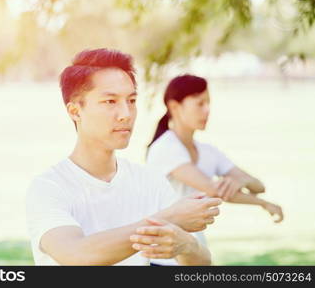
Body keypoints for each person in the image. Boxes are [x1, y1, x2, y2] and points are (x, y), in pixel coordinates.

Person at [26, 49, 222, 266]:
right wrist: (169, 218)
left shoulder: (150, 182)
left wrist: (187, 245)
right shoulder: (49, 187)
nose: (126, 114)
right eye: (110, 101)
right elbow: (76, 255)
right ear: (75, 111)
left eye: (131, 100)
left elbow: (202, 265)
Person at [146, 74, 284, 265]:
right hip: (164, 259)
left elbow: (259, 186)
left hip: (196, 253)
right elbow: (215, 189)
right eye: (199, 104)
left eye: (208, 103)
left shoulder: (208, 152)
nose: (207, 110)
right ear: (175, 107)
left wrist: (242, 181)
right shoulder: (165, 148)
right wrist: (263, 204)